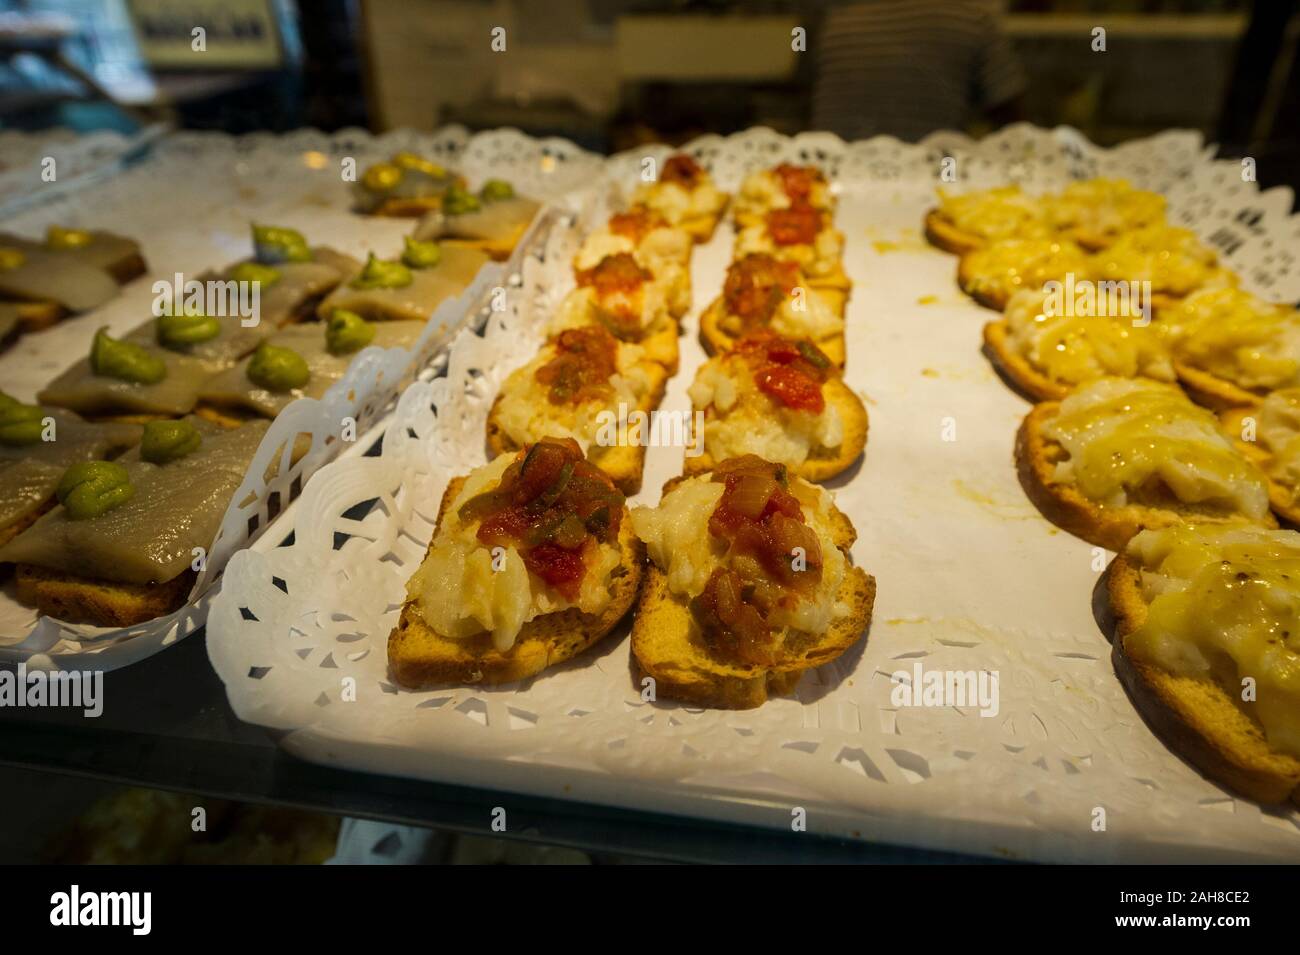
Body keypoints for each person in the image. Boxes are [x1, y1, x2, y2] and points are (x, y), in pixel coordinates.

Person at [809, 0, 1027, 141]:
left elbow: (802, 101)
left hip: (834, 182)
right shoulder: (974, 20)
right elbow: (1014, 128)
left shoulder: (834, 19)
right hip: (936, 177)